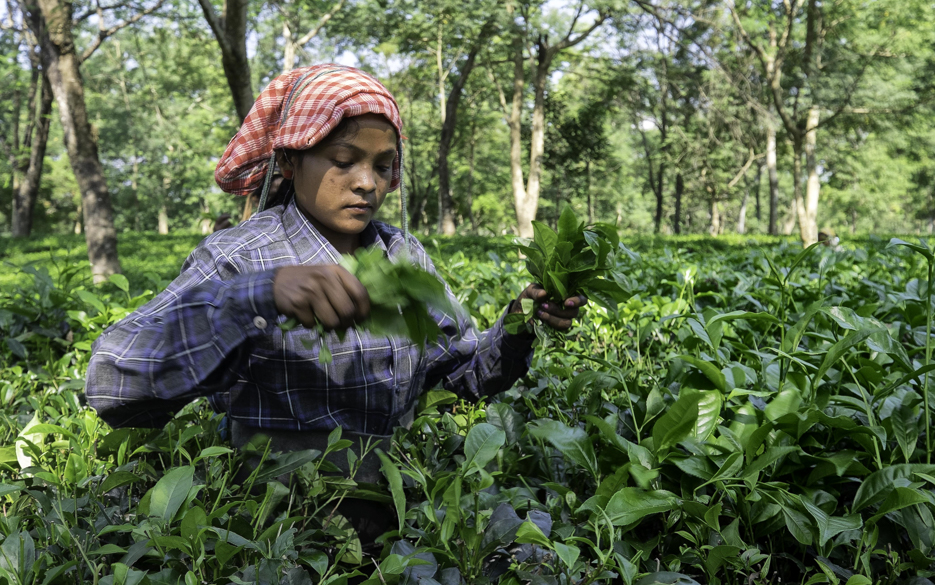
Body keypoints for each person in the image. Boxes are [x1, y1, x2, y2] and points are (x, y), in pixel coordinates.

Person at [84, 65, 585, 547]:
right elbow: (111, 384)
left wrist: (521, 323)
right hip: (274, 529)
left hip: (394, 512)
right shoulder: (241, 258)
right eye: (344, 161)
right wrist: (259, 296)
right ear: (290, 161)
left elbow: (460, 374)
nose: (368, 182)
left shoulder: (401, 254)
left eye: (383, 166)